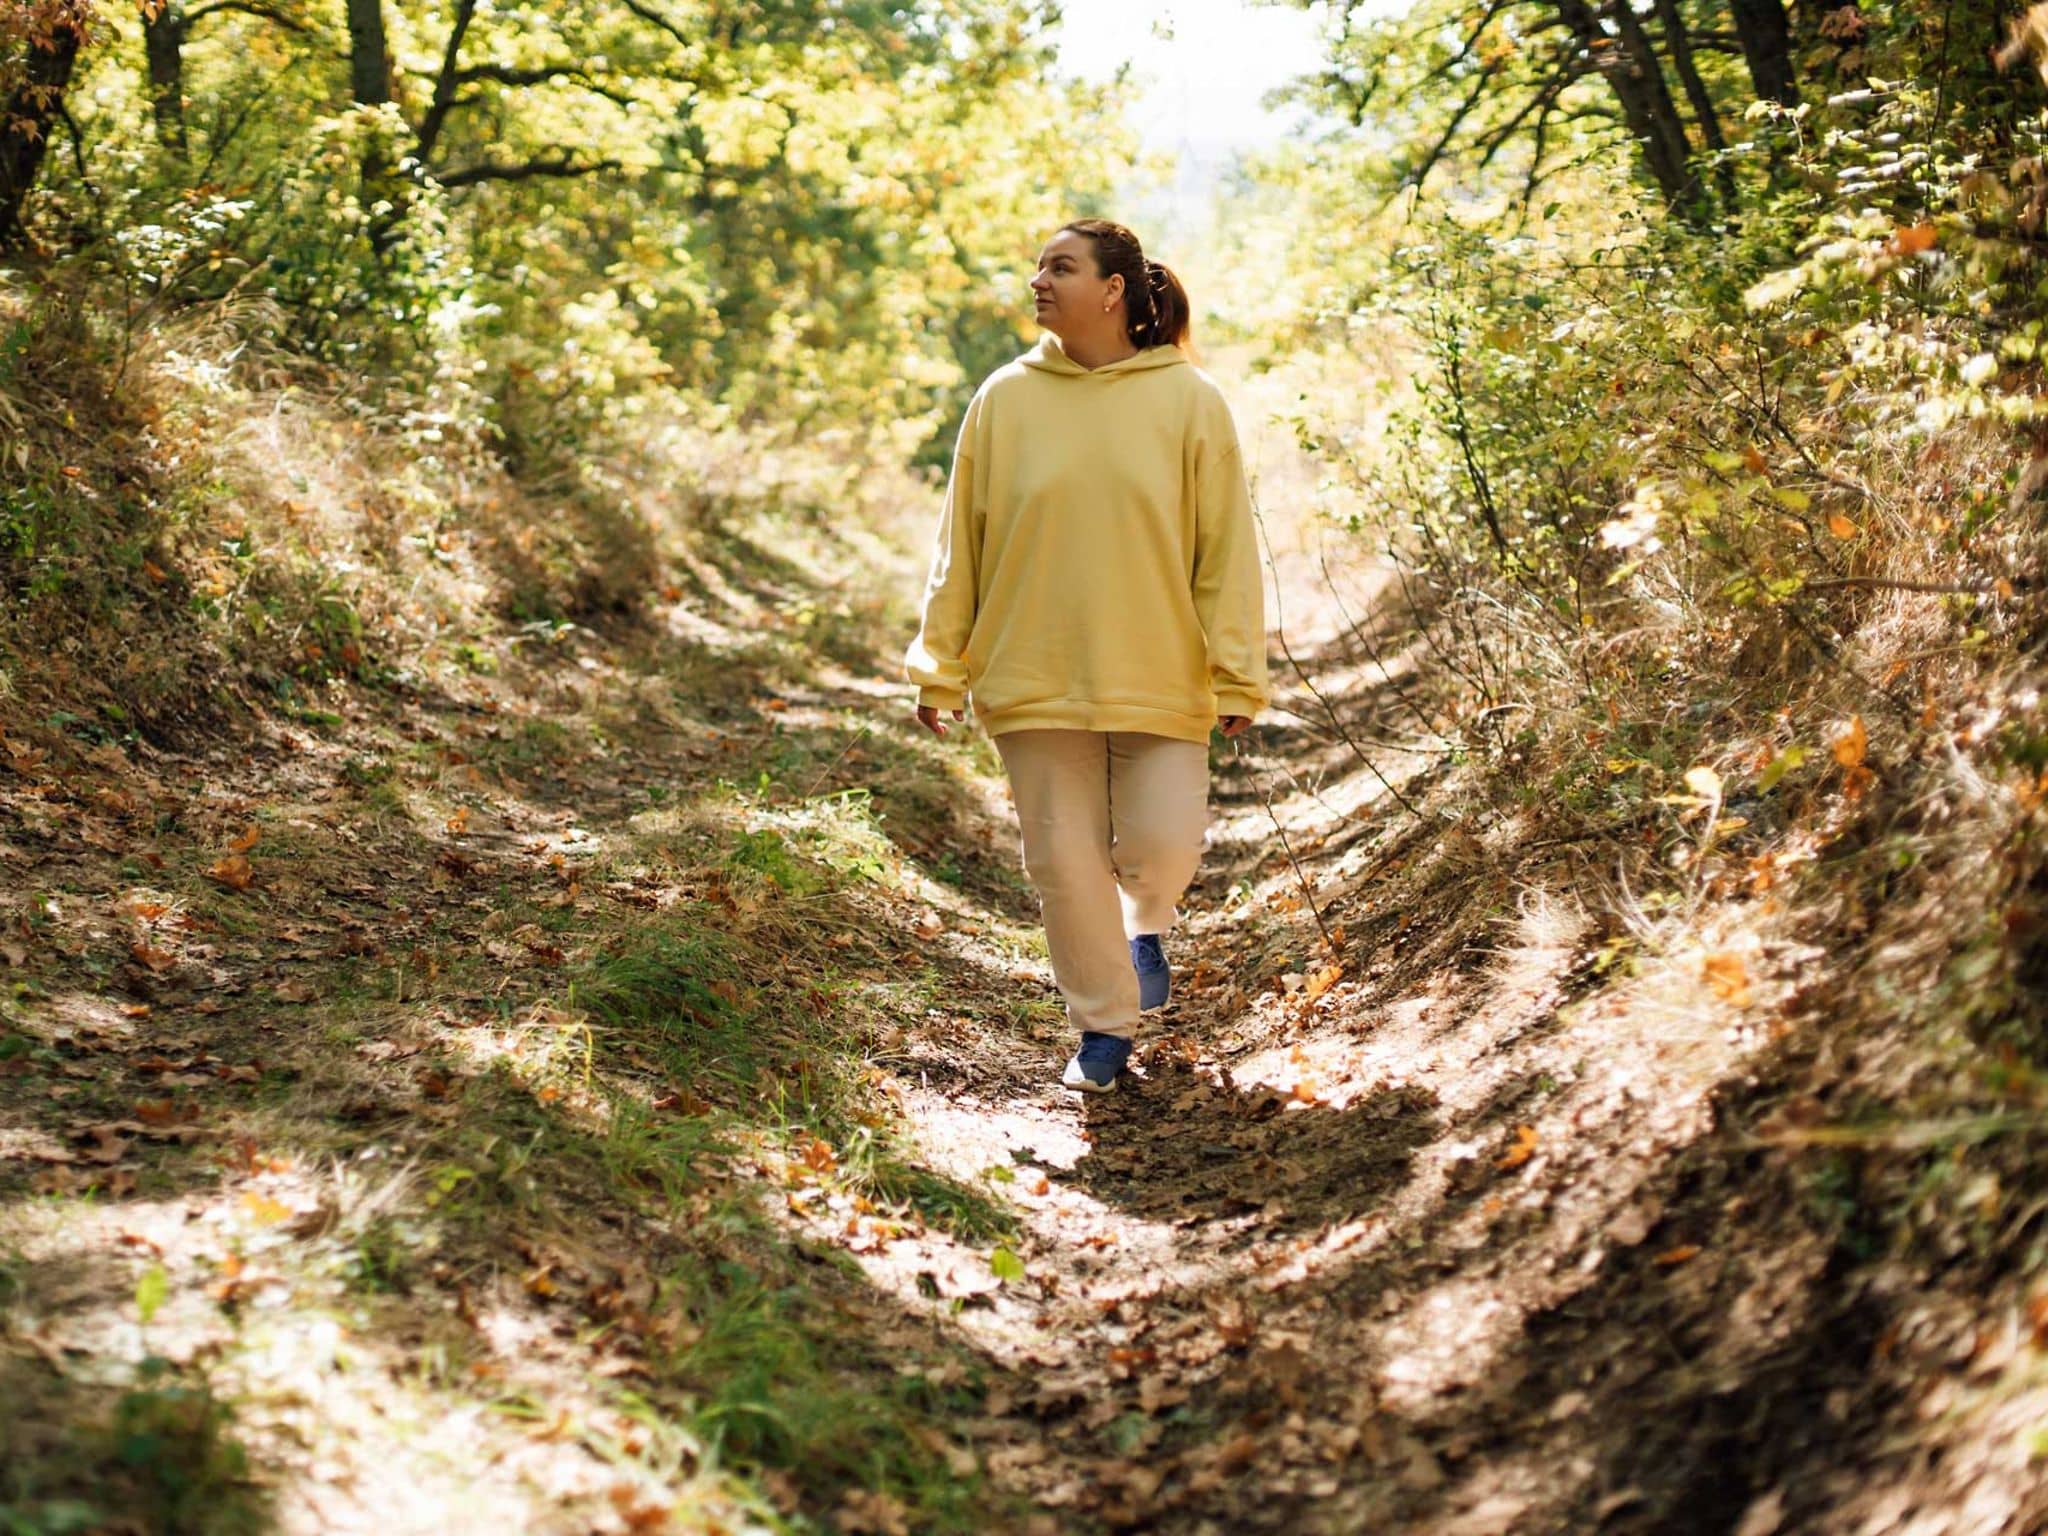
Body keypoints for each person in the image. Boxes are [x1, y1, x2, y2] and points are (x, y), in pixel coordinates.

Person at [903, 218, 1269, 1094]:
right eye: (1037, 267)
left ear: (1113, 290)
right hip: (1031, 671)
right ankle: (1103, 1026)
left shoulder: (1190, 400)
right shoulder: (1004, 399)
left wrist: (1237, 671)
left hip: (1160, 671)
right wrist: (939, 664)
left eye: (1060, 267)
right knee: (1064, 867)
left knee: (1162, 846)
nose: (1038, 280)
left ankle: (1146, 925)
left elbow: (1225, 551)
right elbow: (962, 545)